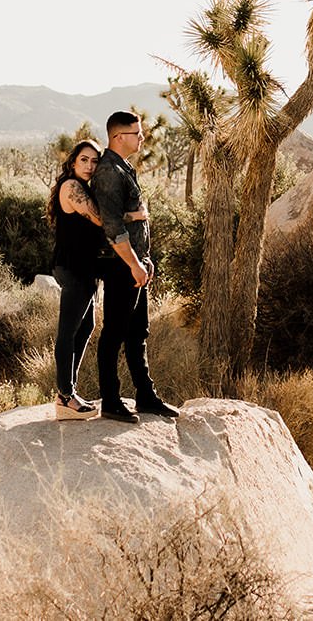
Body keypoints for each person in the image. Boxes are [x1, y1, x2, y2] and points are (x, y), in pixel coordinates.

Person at [90, 111, 179, 422]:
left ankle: (145, 396)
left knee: (137, 331)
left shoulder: (123, 167)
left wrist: (145, 258)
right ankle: (111, 401)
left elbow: (133, 220)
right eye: (136, 133)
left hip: (134, 263)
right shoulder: (109, 172)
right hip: (119, 265)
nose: (142, 138)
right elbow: (112, 227)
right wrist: (133, 264)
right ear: (118, 137)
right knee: (114, 332)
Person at [47, 140, 107, 419]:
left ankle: (68, 391)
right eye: (84, 160)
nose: (89, 166)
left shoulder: (83, 188)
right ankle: (65, 397)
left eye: (95, 161)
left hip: (84, 268)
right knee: (69, 331)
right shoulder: (71, 187)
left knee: (85, 326)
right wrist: (135, 213)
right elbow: (99, 218)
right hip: (72, 267)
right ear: (73, 163)